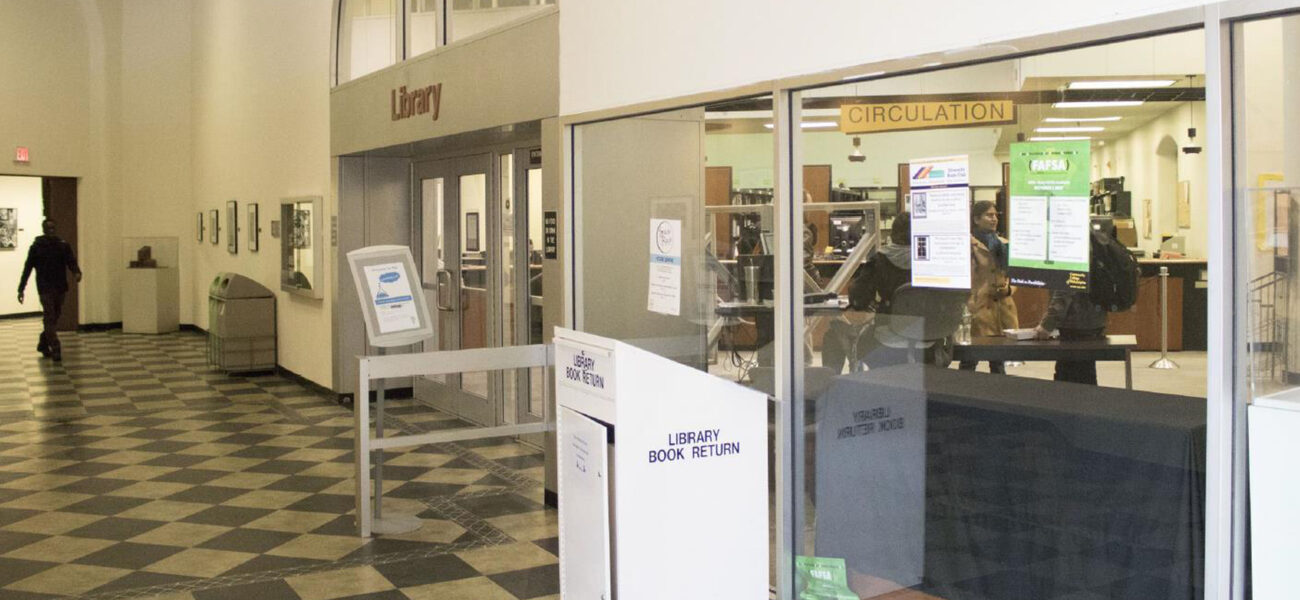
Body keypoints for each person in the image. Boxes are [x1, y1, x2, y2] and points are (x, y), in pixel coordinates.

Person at [960, 201, 1018, 374]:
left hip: (1003, 307)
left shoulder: (1003, 244)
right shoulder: (967, 245)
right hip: (978, 307)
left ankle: (999, 395)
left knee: (998, 360)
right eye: (989, 215)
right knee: (970, 359)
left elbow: (1014, 274)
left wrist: (1009, 289)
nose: (994, 219)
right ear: (976, 219)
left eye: (995, 215)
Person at [17, 219, 82, 361]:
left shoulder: (62, 246)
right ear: (44, 229)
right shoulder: (36, 248)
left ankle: (43, 342)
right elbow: (27, 268)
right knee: (49, 316)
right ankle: (56, 346)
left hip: (60, 287)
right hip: (45, 287)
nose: (51, 230)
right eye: (49, 228)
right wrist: (21, 288)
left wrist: (76, 272)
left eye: (53, 228)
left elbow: (71, 261)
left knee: (54, 316)